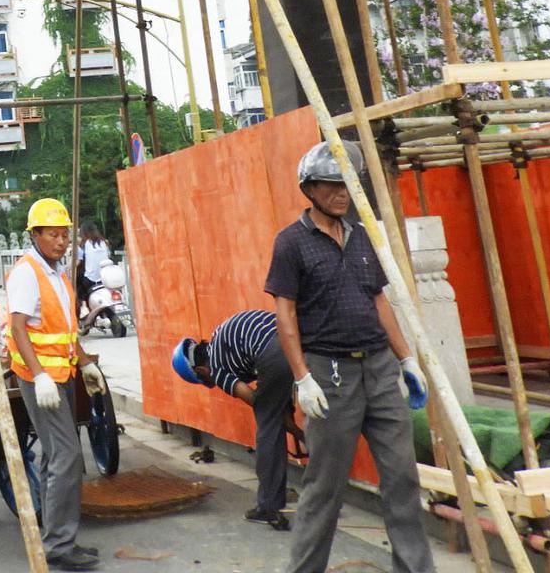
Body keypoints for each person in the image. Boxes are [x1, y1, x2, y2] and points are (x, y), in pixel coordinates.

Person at [265, 143, 431, 573]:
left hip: (379, 369)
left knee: (403, 477)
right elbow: (285, 313)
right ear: (310, 189)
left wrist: (406, 359)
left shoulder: (361, 237)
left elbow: (378, 300)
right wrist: (303, 378)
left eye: (347, 185)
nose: (343, 193)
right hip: (330, 374)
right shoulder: (292, 243)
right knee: (325, 486)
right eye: (332, 185)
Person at [6, 197, 98, 571]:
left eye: (65, 235)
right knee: (68, 455)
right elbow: (18, 328)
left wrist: (84, 361)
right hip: (40, 378)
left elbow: (65, 328)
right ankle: (59, 544)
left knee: (54, 455)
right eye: (53, 235)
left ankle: (55, 536)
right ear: (35, 235)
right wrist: (40, 376)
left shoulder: (57, 273)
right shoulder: (27, 273)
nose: (61, 242)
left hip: (62, 374)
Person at [172, 308, 294, 530]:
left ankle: (268, 507)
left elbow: (258, 402)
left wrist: (289, 425)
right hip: (295, 333)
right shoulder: (221, 337)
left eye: (204, 380)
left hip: (274, 350)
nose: (210, 382)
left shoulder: (217, 369)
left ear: (201, 370)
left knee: (268, 427)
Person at [75, 223, 110, 312]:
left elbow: (78, 261)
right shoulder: (104, 242)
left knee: (77, 286)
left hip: (90, 280)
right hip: (105, 279)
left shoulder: (84, 244)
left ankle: (82, 308)